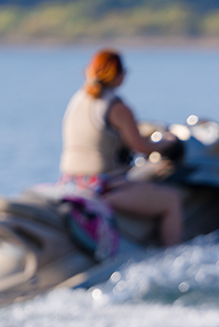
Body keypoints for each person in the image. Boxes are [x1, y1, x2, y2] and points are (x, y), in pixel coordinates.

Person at [60, 49, 185, 247]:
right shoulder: (116, 107)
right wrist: (169, 142)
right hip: (104, 188)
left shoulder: (78, 99)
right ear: (117, 74)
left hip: (71, 183)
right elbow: (142, 147)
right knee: (172, 200)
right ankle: (173, 257)